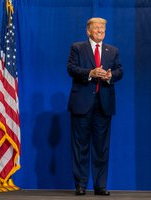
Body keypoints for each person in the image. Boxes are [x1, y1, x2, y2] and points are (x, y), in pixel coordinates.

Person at [67, 17, 123, 196]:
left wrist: (110, 76)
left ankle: (100, 186)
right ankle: (81, 185)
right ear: (88, 31)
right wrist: (90, 73)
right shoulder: (78, 48)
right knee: (80, 146)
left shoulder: (112, 51)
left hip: (103, 105)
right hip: (82, 104)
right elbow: (71, 69)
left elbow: (119, 71)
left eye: (103, 28)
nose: (100, 30)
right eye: (97, 27)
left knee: (101, 147)